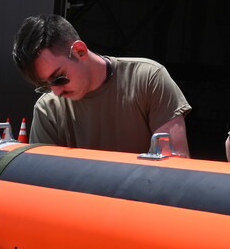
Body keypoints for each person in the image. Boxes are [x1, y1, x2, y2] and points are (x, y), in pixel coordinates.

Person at [12, 15, 191, 155]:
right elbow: (45, 184)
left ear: (79, 51)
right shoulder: (47, 109)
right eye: (46, 85)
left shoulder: (148, 79)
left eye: (58, 78)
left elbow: (175, 169)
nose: (56, 92)